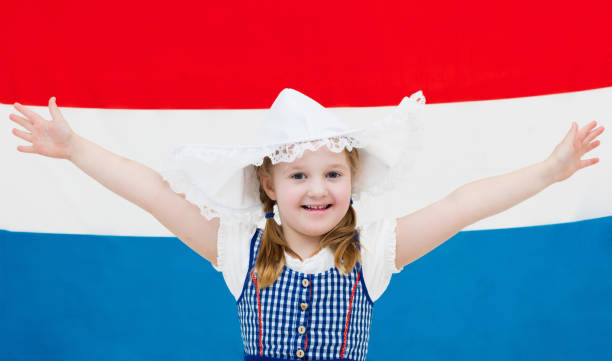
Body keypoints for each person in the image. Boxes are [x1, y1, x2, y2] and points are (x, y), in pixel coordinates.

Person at [9, 88, 603, 361]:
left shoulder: (373, 252)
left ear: (352, 180)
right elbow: (151, 193)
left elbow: (460, 205)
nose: (317, 189)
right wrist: (75, 147)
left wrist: (549, 171)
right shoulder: (239, 249)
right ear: (268, 185)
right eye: (298, 177)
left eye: (332, 174)